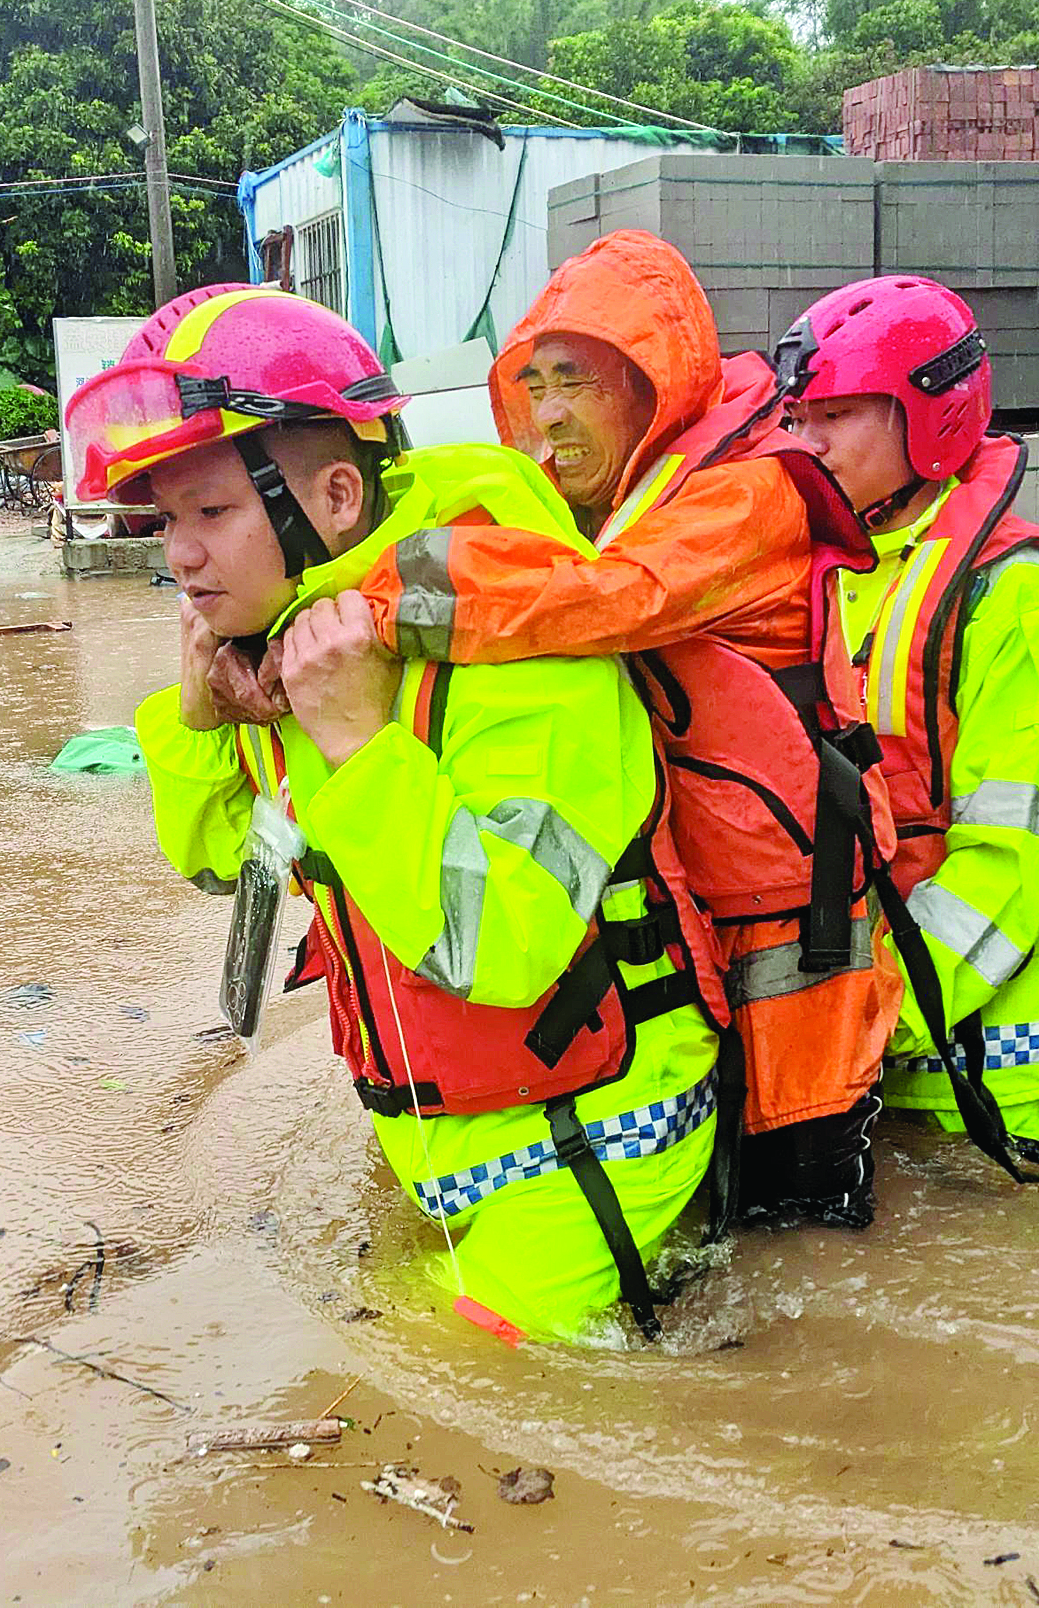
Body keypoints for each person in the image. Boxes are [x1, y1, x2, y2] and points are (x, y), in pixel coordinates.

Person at [75, 284, 729, 1343]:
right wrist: (199, 725)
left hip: (599, 1132)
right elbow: (211, 867)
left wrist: (365, 747)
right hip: (445, 1134)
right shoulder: (292, 644)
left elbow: (507, 943)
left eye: (210, 512)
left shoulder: (524, 651)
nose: (179, 555)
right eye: (163, 520)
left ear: (335, 497)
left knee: (445, 1393)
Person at [355, 230, 903, 1229]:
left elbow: (607, 602)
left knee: (805, 1237)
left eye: (579, 382)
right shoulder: (619, 504)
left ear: (655, 386)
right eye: (536, 384)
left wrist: (374, 607)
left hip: (795, 938)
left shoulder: (748, 490)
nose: (548, 413)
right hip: (711, 921)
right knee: (718, 1235)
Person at [773, 276, 1039, 1170]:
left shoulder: (1024, 600)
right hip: (854, 1060)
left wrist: (870, 1012)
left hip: (990, 1084)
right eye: (798, 418)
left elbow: (1017, 859)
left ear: (926, 416)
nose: (802, 445)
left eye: (835, 416)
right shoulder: (822, 575)